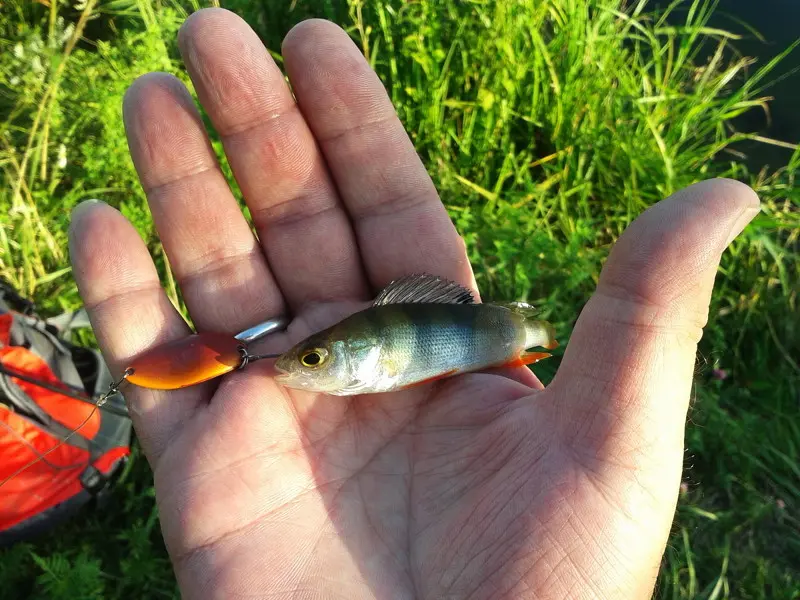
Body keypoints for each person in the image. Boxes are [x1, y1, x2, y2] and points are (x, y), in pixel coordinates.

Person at [68, 8, 760, 599]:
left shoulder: (394, 356)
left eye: (315, 357)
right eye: (310, 357)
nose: (300, 365)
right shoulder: (353, 357)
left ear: (358, 353)